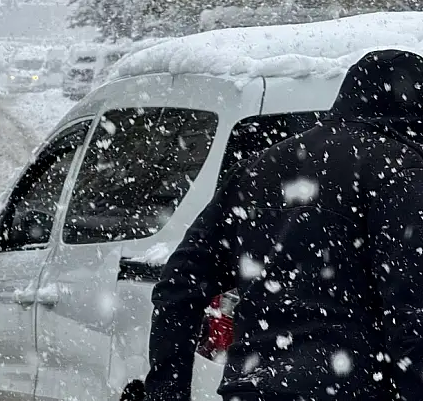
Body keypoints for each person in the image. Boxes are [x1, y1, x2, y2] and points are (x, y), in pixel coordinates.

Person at [142, 49, 423, 401]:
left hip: (255, 385)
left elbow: (179, 285)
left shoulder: (259, 167)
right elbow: (412, 310)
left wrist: (167, 391)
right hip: (353, 388)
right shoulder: (400, 171)